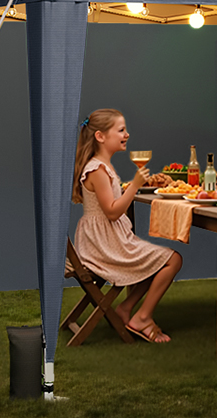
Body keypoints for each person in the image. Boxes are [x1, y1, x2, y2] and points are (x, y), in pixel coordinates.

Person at [72, 109, 182, 343]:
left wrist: (130, 185)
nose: (127, 134)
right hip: (104, 246)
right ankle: (142, 317)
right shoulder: (98, 170)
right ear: (100, 136)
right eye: (121, 130)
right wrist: (135, 186)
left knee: (153, 262)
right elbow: (112, 212)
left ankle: (124, 310)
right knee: (173, 259)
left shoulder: (103, 165)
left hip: (108, 240)